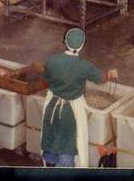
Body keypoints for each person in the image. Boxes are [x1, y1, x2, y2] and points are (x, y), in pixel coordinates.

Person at [41, 28, 119, 168]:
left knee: (50, 143)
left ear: (64, 41)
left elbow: (45, 81)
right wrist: (110, 74)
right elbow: (101, 78)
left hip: (51, 108)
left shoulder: (52, 60)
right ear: (82, 46)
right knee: (67, 148)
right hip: (70, 113)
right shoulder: (84, 66)